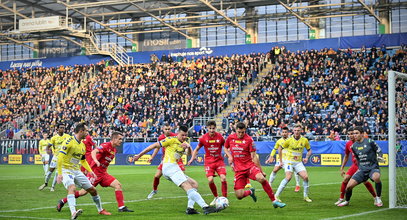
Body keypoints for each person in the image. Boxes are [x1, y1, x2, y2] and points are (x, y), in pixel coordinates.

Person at [134, 125, 220, 215]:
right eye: (182, 135)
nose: (184, 137)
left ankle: (190, 208)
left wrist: (188, 147)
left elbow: (189, 154)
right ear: (178, 133)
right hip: (169, 167)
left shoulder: (184, 143)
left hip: (174, 167)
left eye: (185, 135)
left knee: (194, 184)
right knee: (187, 186)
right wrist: (139, 155)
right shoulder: (171, 139)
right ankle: (205, 207)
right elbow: (153, 146)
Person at [57, 131, 133, 213]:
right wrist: (96, 161)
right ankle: (63, 201)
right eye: (119, 139)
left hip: (103, 174)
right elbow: (94, 152)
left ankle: (121, 207)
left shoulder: (114, 149)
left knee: (118, 185)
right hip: (95, 173)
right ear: (114, 139)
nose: (121, 141)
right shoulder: (105, 145)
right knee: (83, 192)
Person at [224, 122, 286, 208]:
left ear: (245, 130)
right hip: (238, 170)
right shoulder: (230, 138)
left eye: (243, 132)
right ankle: (250, 192)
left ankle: (274, 201)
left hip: (249, 166)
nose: (241, 134)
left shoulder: (249, 140)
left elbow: (254, 156)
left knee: (261, 178)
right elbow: (225, 148)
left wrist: (261, 170)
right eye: (239, 132)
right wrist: (230, 156)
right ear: (235, 130)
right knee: (239, 196)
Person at [56, 123, 111, 219]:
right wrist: (60, 173)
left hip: (76, 171)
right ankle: (73, 213)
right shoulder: (69, 141)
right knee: (72, 188)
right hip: (66, 170)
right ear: (81, 131)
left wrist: (90, 171)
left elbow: (83, 160)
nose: (87, 133)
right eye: (86, 131)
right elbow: (60, 157)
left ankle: (100, 210)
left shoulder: (82, 145)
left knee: (93, 190)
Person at [337, 126, 384, 207]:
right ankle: (346, 201)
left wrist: (380, 156)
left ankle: (378, 198)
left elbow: (379, 150)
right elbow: (357, 158)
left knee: (376, 178)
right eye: (353, 133)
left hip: (373, 167)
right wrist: (360, 168)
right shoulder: (353, 146)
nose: (354, 135)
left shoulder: (370, 141)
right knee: (349, 186)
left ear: (362, 134)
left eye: (356, 133)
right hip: (362, 169)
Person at [188, 120, 227, 205]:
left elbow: (226, 146)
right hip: (209, 162)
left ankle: (224, 198)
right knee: (210, 180)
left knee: (223, 178)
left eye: (213, 128)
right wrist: (192, 158)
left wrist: (227, 153)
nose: (212, 130)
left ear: (215, 128)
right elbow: (197, 149)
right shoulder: (203, 138)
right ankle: (216, 197)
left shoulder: (220, 137)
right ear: (207, 128)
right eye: (210, 128)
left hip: (219, 161)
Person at [274, 124, 312, 202]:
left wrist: (307, 157)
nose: (296, 132)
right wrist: (281, 161)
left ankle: (306, 196)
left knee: (305, 177)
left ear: (301, 131)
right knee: (288, 177)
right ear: (293, 131)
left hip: (298, 162)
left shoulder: (304, 140)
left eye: (298, 130)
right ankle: (276, 195)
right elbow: (280, 148)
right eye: (295, 130)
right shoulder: (289, 140)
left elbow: (309, 150)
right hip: (289, 162)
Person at [146, 123, 181, 199]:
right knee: (156, 176)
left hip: (174, 160)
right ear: (163, 129)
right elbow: (157, 148)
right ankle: (154, 190)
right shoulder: (161, 137)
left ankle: (189, 188)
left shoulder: (175, 136)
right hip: (165, 160)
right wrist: (152, 157)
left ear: (171, 129)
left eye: (169, 129)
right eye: (166, 129)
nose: (167, 131)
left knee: (180, 177)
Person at [266, 127, 301, 192]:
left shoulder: (292, 140)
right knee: (274, 170)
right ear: (281, 133)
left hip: (290, 159)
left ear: (288, 133)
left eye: (286, 132)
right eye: (283, 132)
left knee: (295, 171)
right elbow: (274, 149)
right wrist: (271, 156)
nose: (284, 133)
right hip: (281, 159)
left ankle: (297, 185)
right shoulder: (279, 141)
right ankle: (269, 184)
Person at [39, 123, 71, 192]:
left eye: (63, 127)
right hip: (55, 157)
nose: (63, 129)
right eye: (61, 127)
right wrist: (47, 150)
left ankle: (53, 187)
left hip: (63, 158)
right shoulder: (54, 138)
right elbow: (48, 146)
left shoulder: (67, 136)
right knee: (49, 173)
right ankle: (46, 183)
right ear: (57, 129)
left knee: (57, 173)